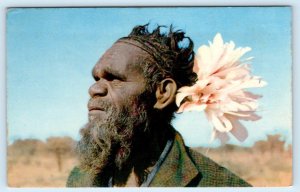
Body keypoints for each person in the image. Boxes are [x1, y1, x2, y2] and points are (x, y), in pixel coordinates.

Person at [66, 24, 251, 187]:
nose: (94, 89)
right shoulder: (80, 179)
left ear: (163, 93)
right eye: (96, 78)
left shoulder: (219, 185)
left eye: (114, 78)